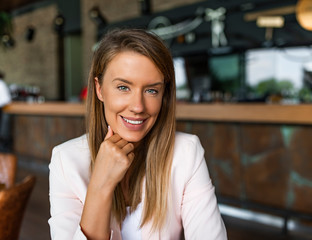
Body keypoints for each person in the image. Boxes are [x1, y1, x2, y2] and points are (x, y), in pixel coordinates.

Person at [48, 28, 227, 240]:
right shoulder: (65, 160)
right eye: (123, 87)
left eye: (152, 90)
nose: (138, 107)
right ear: (99, 89)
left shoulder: (187, 152)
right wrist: (100, 186)